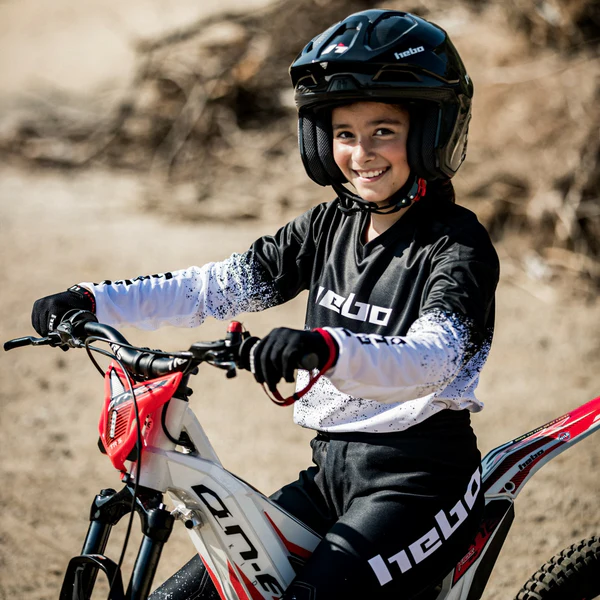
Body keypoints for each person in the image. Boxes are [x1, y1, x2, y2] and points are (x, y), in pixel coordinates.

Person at [31, 9, 499, 600]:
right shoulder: (329, 226)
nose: (361, 153)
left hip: (419, 484)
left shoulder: (458, 247)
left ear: (431, 132)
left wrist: (325, 348)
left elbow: (431, 359)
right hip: (329, 476)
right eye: (344, 134)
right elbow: (216, 286)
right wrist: (95, 300)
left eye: (384, 130)